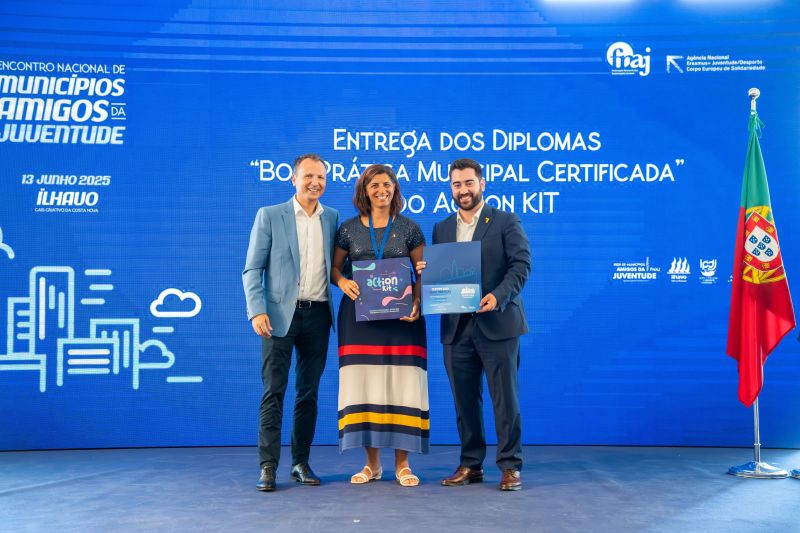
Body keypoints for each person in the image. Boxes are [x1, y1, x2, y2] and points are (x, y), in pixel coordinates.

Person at [416, 158, 530, 491]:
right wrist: (426, 272)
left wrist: (499, 296)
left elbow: (521, 265)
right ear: (450, 188)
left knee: (505, 400)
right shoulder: (441, 228)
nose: (463, 190)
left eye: (468, 183)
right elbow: (442, 277)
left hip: (498, 323)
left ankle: (510, 466)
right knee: (464, 402)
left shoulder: (505, 221)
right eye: (456, 184)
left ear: (482, 184)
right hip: (456, 329)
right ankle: (471, 464)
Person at [242, 154, 339, 492]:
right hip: (277, 317)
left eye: (321, 177)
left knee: (308, 394)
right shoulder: (270, 215)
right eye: (309, 176)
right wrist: (257, 310)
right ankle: (268, 466)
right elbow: (252, 269)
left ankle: (300, 463)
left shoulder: (332, 218)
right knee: (274, 391)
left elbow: (340, 267)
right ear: (294, 179)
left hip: (319, 316)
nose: (315, 182)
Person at [332, 164, 428, 487]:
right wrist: (342, 281)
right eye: (374, 185)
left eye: (387, 184)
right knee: (366, 386)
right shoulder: (347, 229)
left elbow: (422, 272)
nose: (381, 190)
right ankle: (371, 465)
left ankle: (403, 465)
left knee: (403, 387)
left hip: (403, 321)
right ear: (364, 190)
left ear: (395, 189)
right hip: (359, 321)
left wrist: (417, 303)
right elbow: (334, 269)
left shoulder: (410, 228)